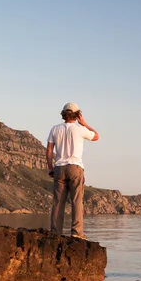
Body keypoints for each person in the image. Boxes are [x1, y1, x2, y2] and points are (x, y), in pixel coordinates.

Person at [46, 102, 99, 239]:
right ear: (77, 115)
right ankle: (76, 233)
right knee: (76, 201)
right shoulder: (80, 130)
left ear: (63, 114)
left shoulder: (55, 129)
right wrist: (84, 123)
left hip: (59, 168)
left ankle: (55, 233)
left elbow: (50, 151)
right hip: (75, 167)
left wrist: (51, 168)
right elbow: (96, 136)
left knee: (58, 202)